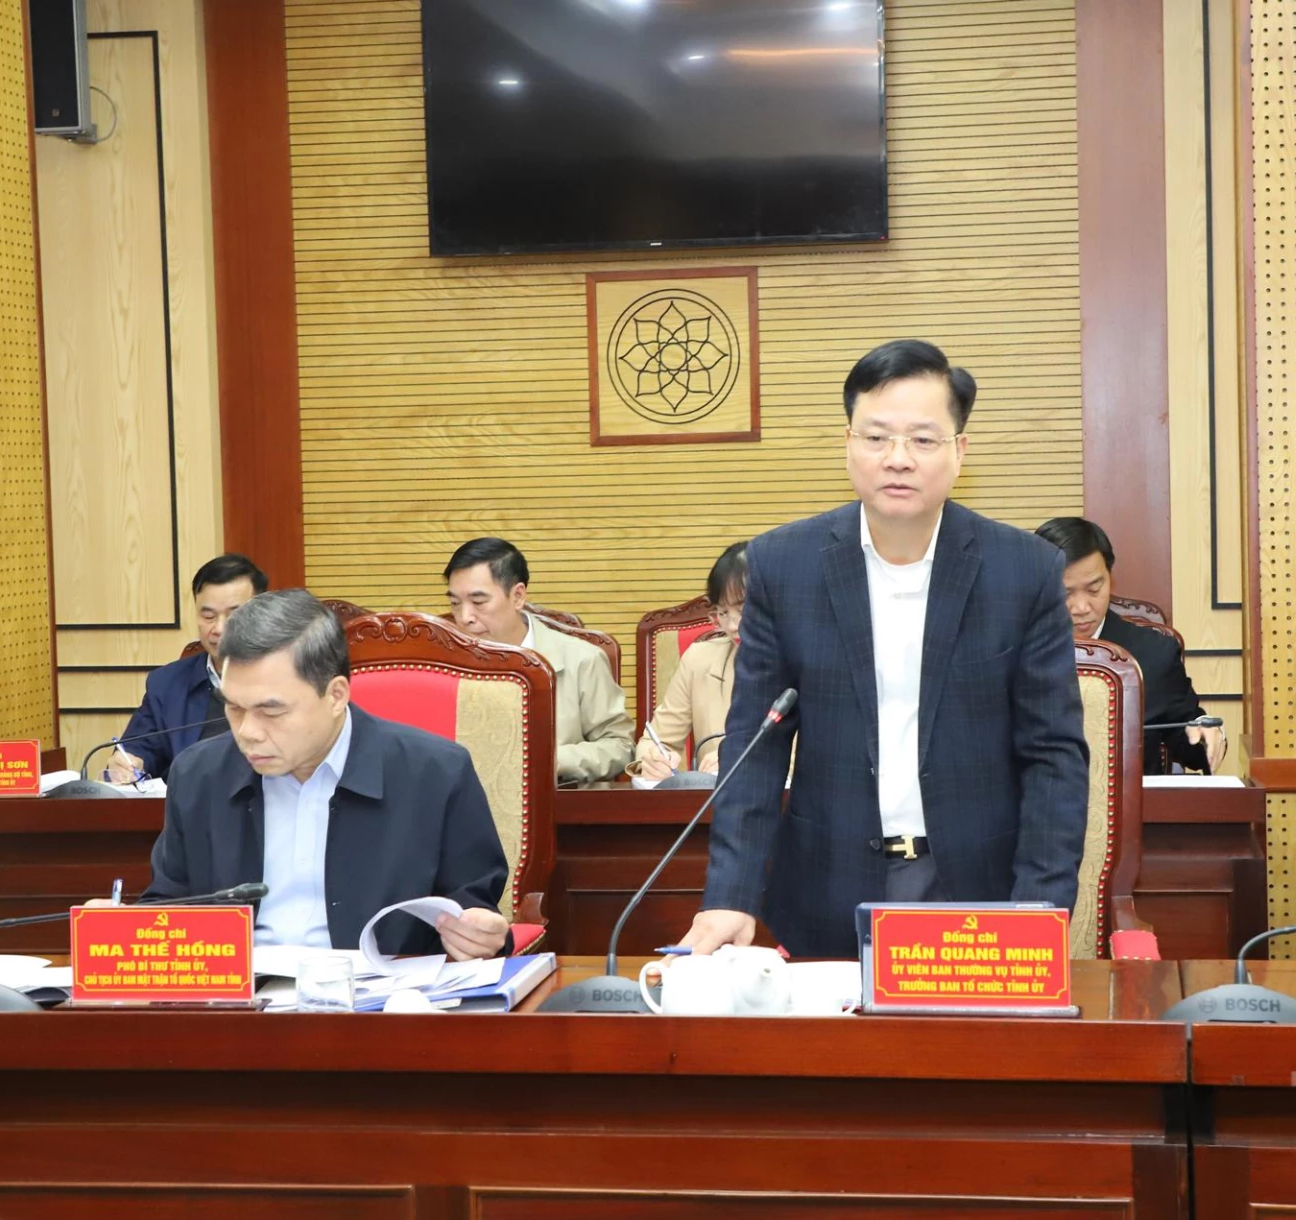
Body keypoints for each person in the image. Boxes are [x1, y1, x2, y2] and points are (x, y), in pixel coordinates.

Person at [682, 339, 1090, 958]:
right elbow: (756, 747)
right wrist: (731, 894)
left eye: (923, 439)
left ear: (959, 451)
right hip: (826, 888)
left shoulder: (1024, 570)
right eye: (876, 437)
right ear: (848, 443)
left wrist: (1039, 906)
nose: (898, 459)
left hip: (981, 892)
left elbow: (1053, 756)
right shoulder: (784, 566)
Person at [142, 590, 510, 958]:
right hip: (243, 990)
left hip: (383, 989)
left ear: (335, 695)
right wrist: (129, 929)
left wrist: (480, 937)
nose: (248, 732)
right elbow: (168, 906)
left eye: (271, 712)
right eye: (235, 709)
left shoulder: (436, 774)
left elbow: (475, 914)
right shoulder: (198, 776)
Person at [1034, 516, 1226, 774]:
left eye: (1094, 589)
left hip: (1130, 798)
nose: (1081, 608)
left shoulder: (1153, 653)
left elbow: (1190, 744)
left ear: (1110, 578)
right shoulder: (1013, 651)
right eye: (1065, 593)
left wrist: (1206, 733)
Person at [444, 537, 636, 782]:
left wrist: (551, 760)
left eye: (478, 602)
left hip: (550, 798)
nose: (464, 617)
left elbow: (620, 746)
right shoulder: (437, 665)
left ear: (517, 596)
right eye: (455, 603)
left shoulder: (581, 660)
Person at [108, 554, 267, 783]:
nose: (219, 628)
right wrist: (128, 763)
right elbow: (139, 749)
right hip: (191, 802)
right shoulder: (167, 684)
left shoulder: (289, 678)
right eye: (208, 616)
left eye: (234, 615)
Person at [631, 542, 748, 787]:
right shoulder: (699, 660)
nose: (731, 625)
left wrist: (744, 759)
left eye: (742, 610)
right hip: (712, 803)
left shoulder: (808, 661)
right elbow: (655, 740)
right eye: (722, 613)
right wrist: (652, 760)